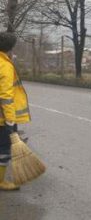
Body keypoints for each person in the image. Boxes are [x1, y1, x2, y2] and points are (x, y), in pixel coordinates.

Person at [0, 32, 30, 191]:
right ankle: (0, 181)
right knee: (4, 149)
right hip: (2, 118)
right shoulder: (4, 64)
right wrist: (10, 120)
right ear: (10, 48)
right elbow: (5, 95)